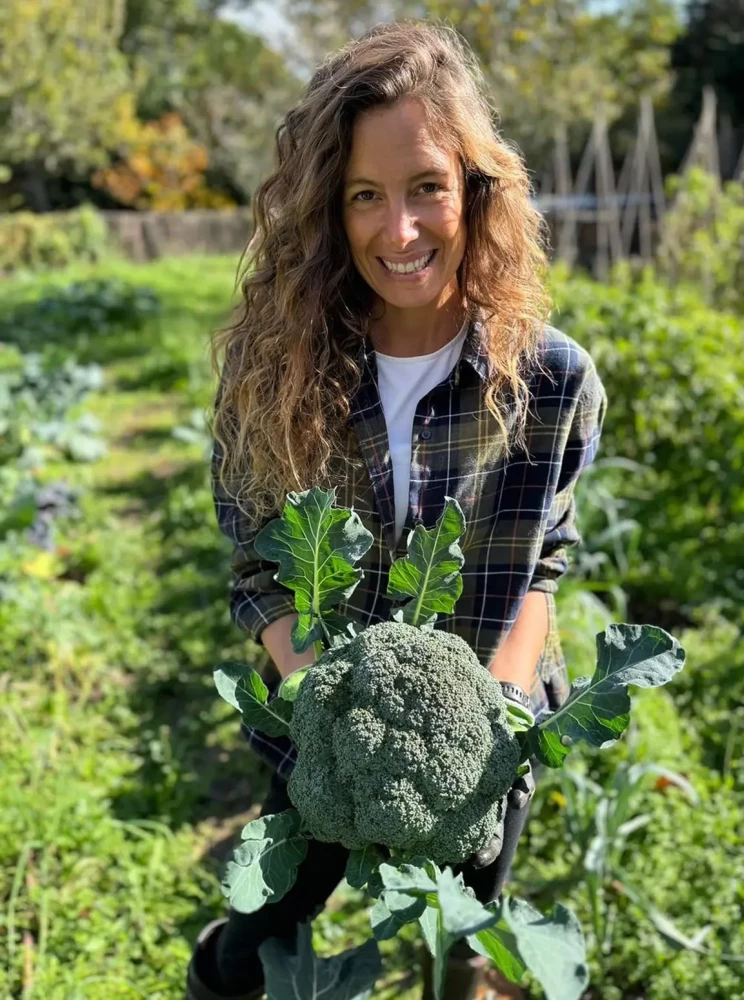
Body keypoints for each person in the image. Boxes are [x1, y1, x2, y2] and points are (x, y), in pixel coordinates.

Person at [187, 19, 607, 1000]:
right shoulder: (274, 371)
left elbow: (538, 566)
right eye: (363, 197)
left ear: (473, 186)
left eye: (425, 187)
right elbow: (258, 567)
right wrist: (333, 712)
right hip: (321, 734)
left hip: (477, 742)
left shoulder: (547, 379)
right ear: (327, 211)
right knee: (264, 935)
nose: (399, 229)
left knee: (464, 946)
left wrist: (487, 722)